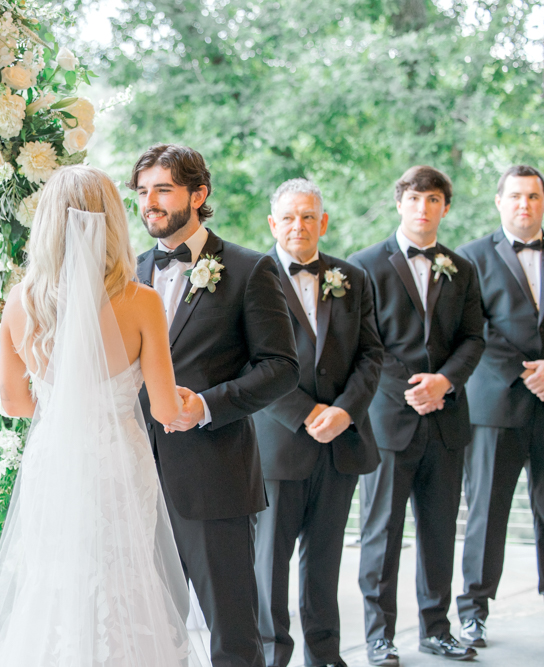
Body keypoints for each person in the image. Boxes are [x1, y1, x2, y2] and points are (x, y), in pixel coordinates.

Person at [0, 165, 210, 666]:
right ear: (112, 221)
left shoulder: (22, 301)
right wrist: (193, 404)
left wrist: (59, 408)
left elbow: (12, 403)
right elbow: (164, 409)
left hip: (54, 459)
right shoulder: (141, 302)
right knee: (121, 581)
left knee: (52, 581)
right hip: (118, 464)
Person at [132, 144, 301, 667]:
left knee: (233, 636)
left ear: (198, 194)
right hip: (135, 481)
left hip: (215, 480)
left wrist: (204, 406)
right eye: (142, 192)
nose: (150, 203)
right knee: (146, 631)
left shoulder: (251, 270)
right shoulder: (128, 272)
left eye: (162, 189)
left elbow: (281, 368)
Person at [348, 166, 485, 665]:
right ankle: (379, 635)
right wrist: (413, 387)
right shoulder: (364, 266)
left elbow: (474, 337)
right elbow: (367, 345)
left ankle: (437, 627)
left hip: (447, 420)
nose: (423, 208)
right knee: (381, 531)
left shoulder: (462, 267)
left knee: (440, 527)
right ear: (399, 203)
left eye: (432, 200)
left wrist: (444, 382)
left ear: (444, 208)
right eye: (414, 198)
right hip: (389, 419)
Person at [253, 179, 383, 667]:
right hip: (281, 442)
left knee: (325, 559)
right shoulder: (252, 277)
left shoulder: (352, 278)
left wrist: (345, 411)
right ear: (273, 223)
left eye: (308, 216)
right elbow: (250, 362)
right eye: (288, 217)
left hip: (340, 443)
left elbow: (372, 354)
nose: (298, 226)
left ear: (323, 222)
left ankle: (326, 653)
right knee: (270, 562)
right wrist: (306, 413)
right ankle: (271, 655)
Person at [454, 165, 544, 648]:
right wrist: (531, 371)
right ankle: (473, 611)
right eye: (516, 196)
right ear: (499, 202)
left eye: (533, 196)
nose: (524, 204)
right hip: (496, 405)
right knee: (487, 510)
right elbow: (474, 331)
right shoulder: (470, 258)